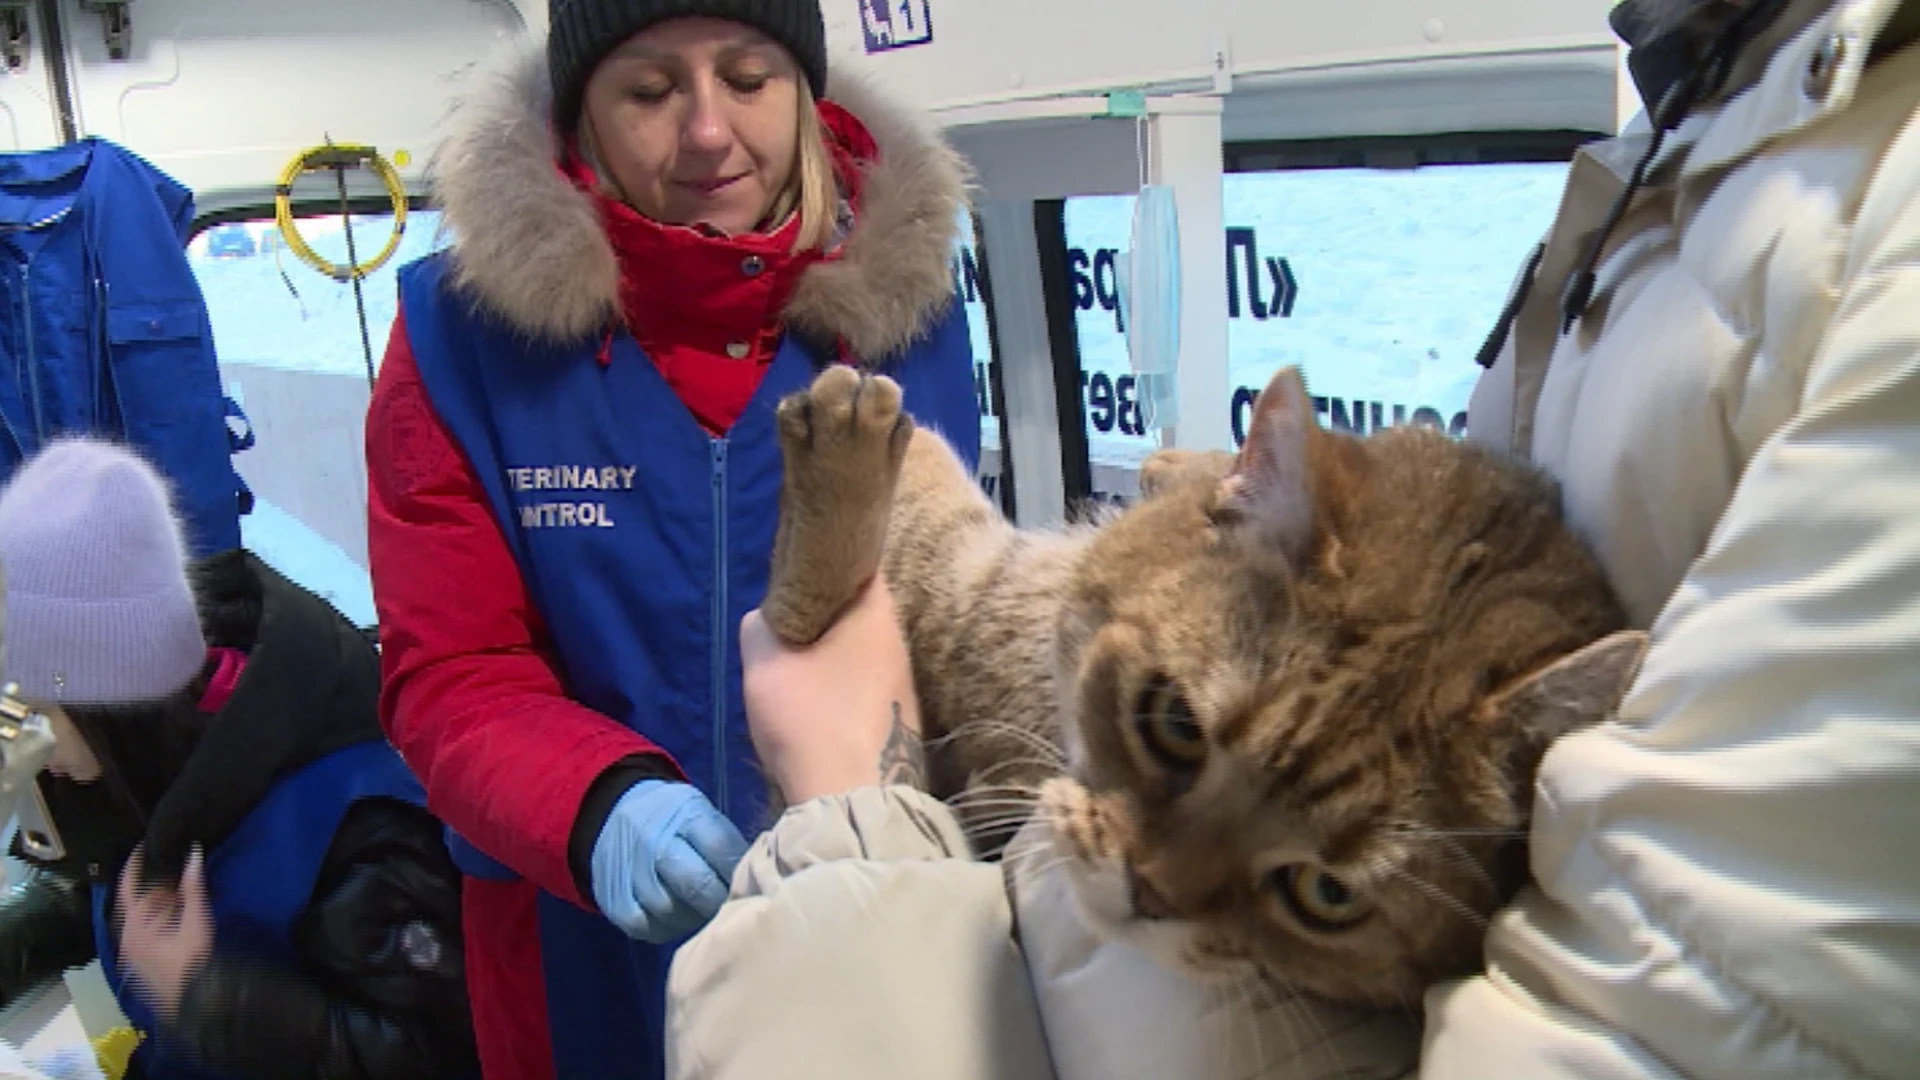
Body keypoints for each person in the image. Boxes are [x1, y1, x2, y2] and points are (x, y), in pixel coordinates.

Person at [663, 0, 1920, 1077]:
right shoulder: (1693, 133)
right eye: (656, 90)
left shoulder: (1870, 229)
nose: (1162, 886)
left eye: (1321, 887)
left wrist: (842, 800)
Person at [361, 0, 981, 1075]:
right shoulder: (459, 339)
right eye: (649, 91)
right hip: (574, 947)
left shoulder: (910, 317)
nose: (706, 131)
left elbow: (942, 614)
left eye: (749, 79)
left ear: (803, 88)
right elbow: (450, 674)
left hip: (858, 925)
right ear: (581, 109)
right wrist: (599, 805)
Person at [0, 438, 477, 1080]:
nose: (26, 741)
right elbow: (109, 879)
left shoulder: (356, 827)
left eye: (37, 710)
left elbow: (437, 1057)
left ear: (104, 704)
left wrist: (210, 998)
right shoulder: (123, 760)